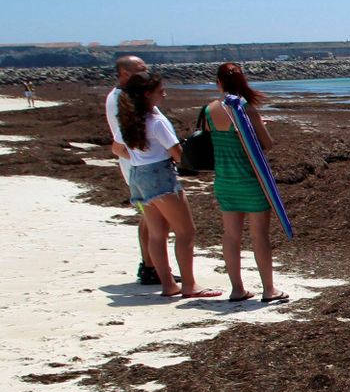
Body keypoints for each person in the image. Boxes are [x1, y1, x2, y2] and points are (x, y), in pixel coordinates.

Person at [109, 72, 221, 299]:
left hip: (138, 175)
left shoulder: (129, 119)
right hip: (159, 175)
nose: (165, 94)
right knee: (185, 231)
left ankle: (168, 284)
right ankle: (189, 285)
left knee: (157, 233)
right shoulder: (156, 121)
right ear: (148, 94)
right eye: (161, 91)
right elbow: (177, 154)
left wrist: (139, 158)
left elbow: (117, 149)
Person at [204, 63, 288, 303]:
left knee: (230, 235)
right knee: (259, 235)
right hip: (250, 180)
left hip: (224, 179)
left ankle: (237, 289)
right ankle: (269, 289)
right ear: (243, 82)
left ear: (218, 83)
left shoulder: (209, 110)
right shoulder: (244, 109)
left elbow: (213, 139)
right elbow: (267, 144)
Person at [107, 56, 159, 284]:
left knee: (149, 217)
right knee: (153, 218)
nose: (146, 72)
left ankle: (150, 265)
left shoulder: (126, 97)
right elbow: (120, 144)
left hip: (140, 167)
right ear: (125, 73)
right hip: (141, 169)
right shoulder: (122, 99)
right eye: (141, 69)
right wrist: (144, 159)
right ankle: (150, 267)